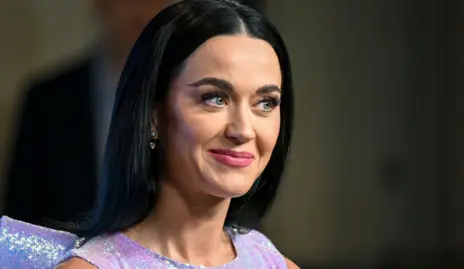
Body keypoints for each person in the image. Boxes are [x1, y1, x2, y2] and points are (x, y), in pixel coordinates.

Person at [0, 0, 298, 268]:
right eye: (215, 98)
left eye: (265, 103)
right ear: (153, 115)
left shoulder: (274, 263)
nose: (243, 130)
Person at [3, 0, 171, 225]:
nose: (143, 10)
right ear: (101, 4)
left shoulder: (193, 90)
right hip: (64, 251)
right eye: (130, 1)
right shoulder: (48, 98)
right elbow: (21, 211)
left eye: (155, 1)